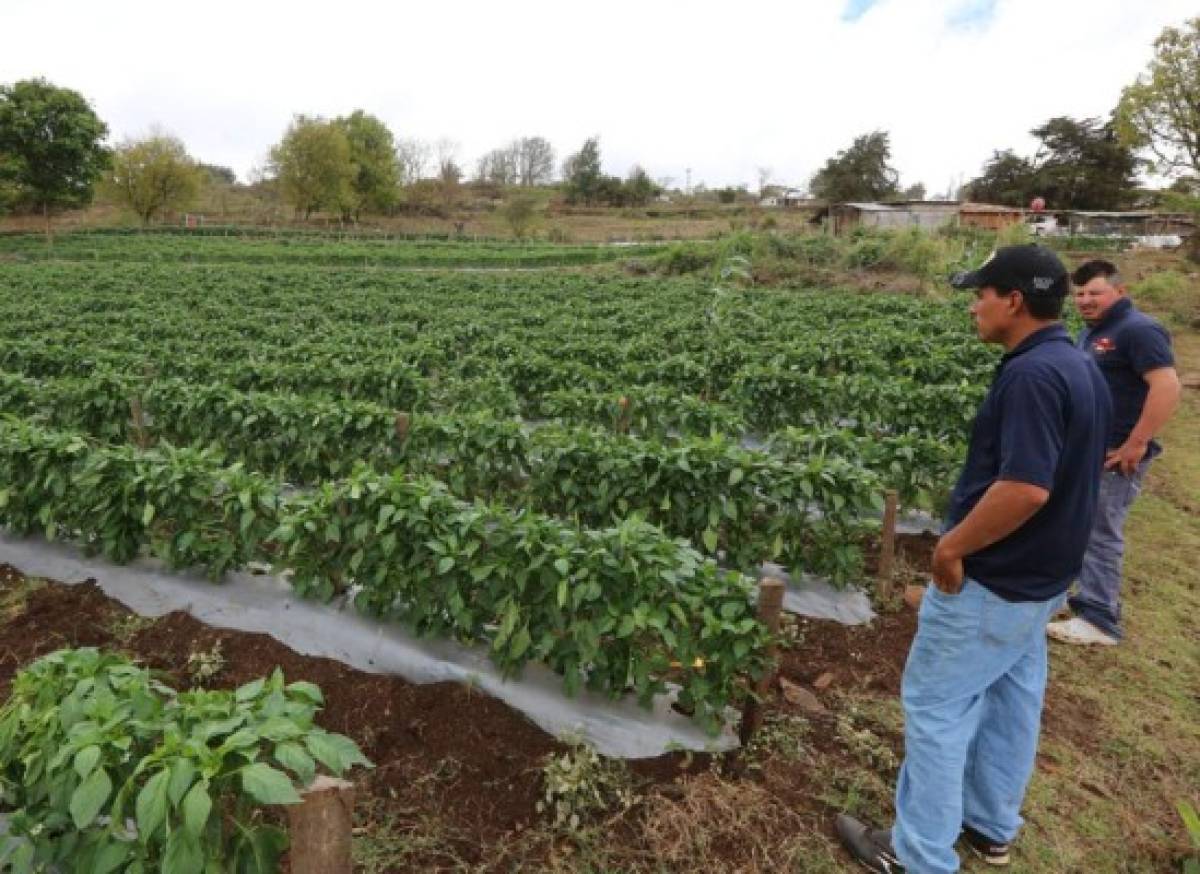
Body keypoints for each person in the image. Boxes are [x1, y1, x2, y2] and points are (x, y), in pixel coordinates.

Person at [836, 245, 1111, 873]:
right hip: (1041, 580)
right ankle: (990, 825)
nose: (973, 306)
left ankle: (919, 856)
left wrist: (951, 548)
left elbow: (1025, 487)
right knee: (1013, 698)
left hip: (996, 581)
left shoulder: (1031, 376)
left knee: (936, 709)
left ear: (1013, 300)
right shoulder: (1077, 363)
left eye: (980, 294)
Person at [1046, 259, 1180, 646]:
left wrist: (1136, 442)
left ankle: (1099, 618)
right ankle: (1077, 599)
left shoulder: (1138, 329)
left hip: (1116, 453)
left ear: (1120, 292)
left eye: (1095, 293)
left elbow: (1167, 387)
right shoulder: (1096, 331)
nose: (1086, 300)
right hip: (1090, 450)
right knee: (1078, 524)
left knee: (1100, 531)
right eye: (1080, 294)